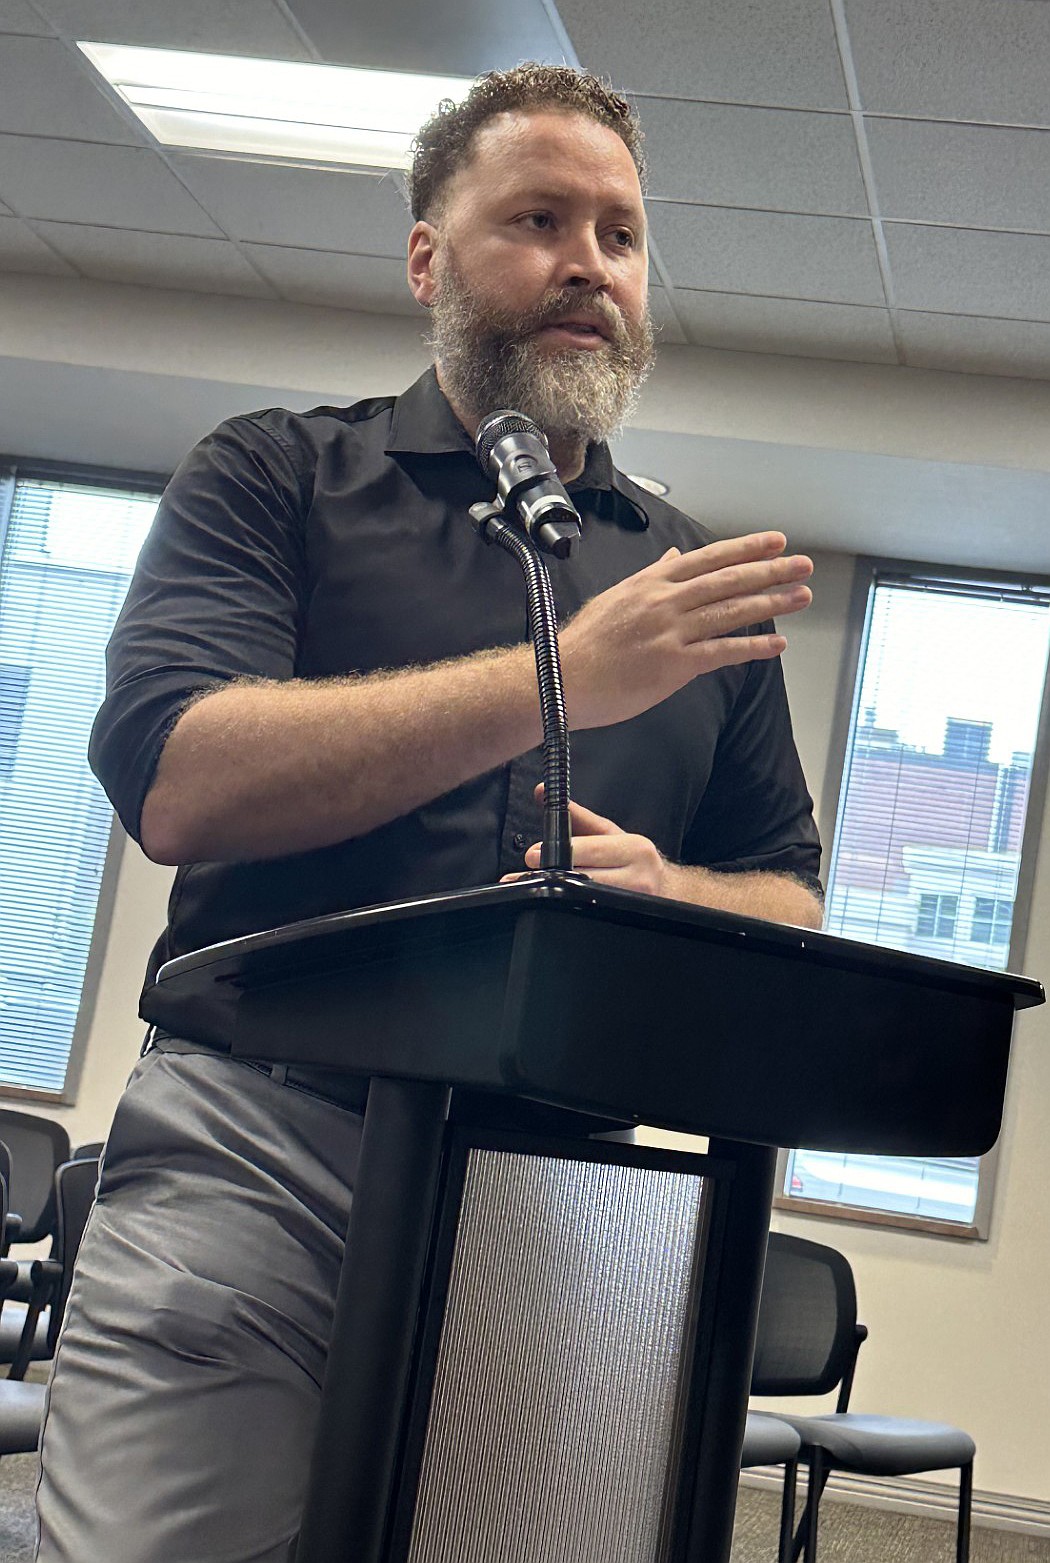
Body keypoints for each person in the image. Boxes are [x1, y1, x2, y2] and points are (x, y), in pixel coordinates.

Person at [34, 64, 822, 1563]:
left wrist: (681, 898)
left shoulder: (691, 583)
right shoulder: (276, 474)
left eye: (621, 233)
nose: (589, 262)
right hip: (257, 1140)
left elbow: (787, 890)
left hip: (566, 1179)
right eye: (538, 217)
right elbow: (176, 777)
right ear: (426, 259)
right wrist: (557, 681)